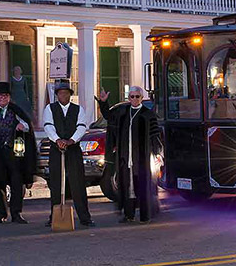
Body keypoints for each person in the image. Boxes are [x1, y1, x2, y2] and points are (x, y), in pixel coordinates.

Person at [96, 87, 162, 223]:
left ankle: (145, 216)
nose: (135, 99)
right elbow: (108, 116)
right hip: (125, 157)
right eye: (132, 97)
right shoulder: (123, 113)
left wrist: (158, 154)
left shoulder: (148, 115)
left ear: (141, 98)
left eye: (137, 96)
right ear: (128, 98)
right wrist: (103, 103)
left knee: (142, 186)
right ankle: (129, 215)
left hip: (141, 158)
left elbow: (155, 137)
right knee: (126, 186)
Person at [0, 81, 37, 224]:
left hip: (14, 153)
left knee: (16, 183)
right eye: (0, 96)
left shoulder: (15, 110)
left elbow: (27, 126)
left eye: (5, 96)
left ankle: (16, 213)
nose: (2, 98)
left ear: (9, 97)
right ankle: (1, 213)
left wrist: (21, 126)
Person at [43, 81, 94, 227]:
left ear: (70, 95)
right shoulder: (50, 108)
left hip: (73, 149)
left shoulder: (78, 109)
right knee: (56, 183)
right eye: (60, 93)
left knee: (77, 182)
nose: (63, 95)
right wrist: (57, 140)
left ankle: (85, 217)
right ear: (57, 95)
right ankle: (55, 215)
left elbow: (81, 126)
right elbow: (48, 125)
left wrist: (72, 140)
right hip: (56, 148)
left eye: (65, 93)